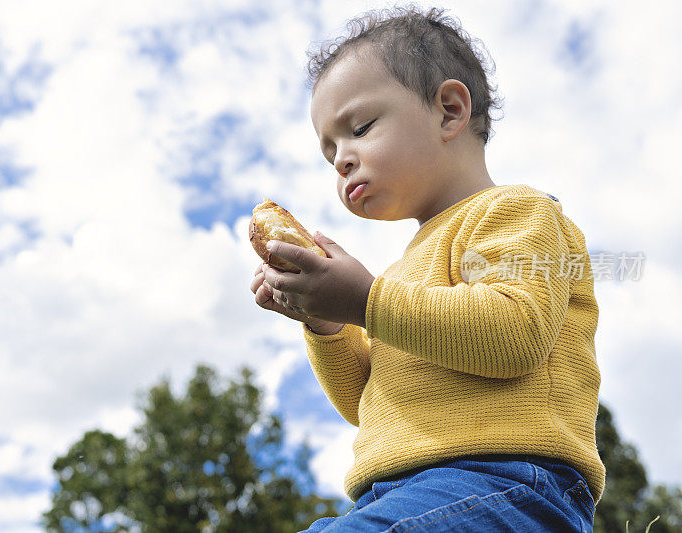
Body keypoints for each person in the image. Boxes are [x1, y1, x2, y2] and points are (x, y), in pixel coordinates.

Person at [249, 5, 603, 532]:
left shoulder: (518, 213)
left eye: (361, 127)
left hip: (507, 482)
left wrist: (365, 301)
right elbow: (364, 400)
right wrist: (326, 324)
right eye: (330, 154)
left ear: (449, 111)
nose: (343, 158)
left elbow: (514, 334)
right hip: (402, 494)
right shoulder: (403, 274)